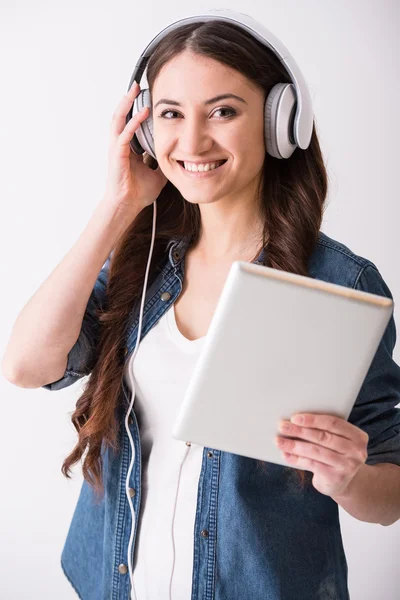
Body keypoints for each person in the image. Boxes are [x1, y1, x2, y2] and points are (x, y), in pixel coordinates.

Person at [3, 13, 400, 600]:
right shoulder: (141, 268)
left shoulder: (339, 281)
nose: (191, 143)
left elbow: (388, 494)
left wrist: (348, 479)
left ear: (277, 122)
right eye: (170, 114)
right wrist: (118, 205)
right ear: (143, 129)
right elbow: (25, 366)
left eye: (223, 111)